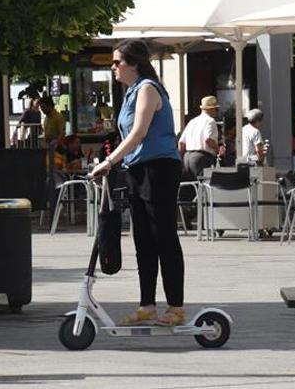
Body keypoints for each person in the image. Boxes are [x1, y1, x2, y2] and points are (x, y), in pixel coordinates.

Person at [90, 39, 185, 328]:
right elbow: (126, 137)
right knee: (143, 239)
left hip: (159, 169)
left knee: (163, 237)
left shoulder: (147, 88)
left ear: (134, 64)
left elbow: (138, 134)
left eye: (117, 62)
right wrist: (112, 160)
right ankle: (147, 305)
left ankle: (176, 308)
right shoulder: (131, 92)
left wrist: (110, 162)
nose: (113, 67)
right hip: (137, 169)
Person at [177, 96, 219, 178]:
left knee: (191, 187)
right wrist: (217, 149)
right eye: (216, 109)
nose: (216, 112)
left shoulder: (192, 121)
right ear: (211, 109)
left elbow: (181, 143)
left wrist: (181, 159)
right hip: (201, 158)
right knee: (203, 185)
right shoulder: (210, 121)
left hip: (187, 158)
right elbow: (208, 139)